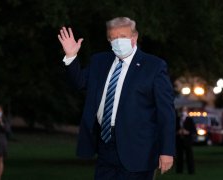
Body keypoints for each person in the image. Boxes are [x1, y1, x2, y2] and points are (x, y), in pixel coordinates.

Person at [58, 17, 176, 179]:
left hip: (138, 150)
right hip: (105, 145)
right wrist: (71, 56)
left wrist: (167, 151)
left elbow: (166, 112)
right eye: (113, 38)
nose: (117, 42)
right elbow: (80, 83)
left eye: (122, 37)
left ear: (134, 37)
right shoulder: (100, 61)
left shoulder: (154, 66)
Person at [175, 108, 197, 174]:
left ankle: (191, 171)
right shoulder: (177, 119)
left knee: (189, 156)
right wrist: (178, 132)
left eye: (184, 111)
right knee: (179, 156)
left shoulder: (189, 119)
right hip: (179, 140)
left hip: (187, 141)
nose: (182, 112)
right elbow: (173, 129)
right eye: (181, 111)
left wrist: (188, 132)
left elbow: (194, 130)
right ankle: (179, 171)